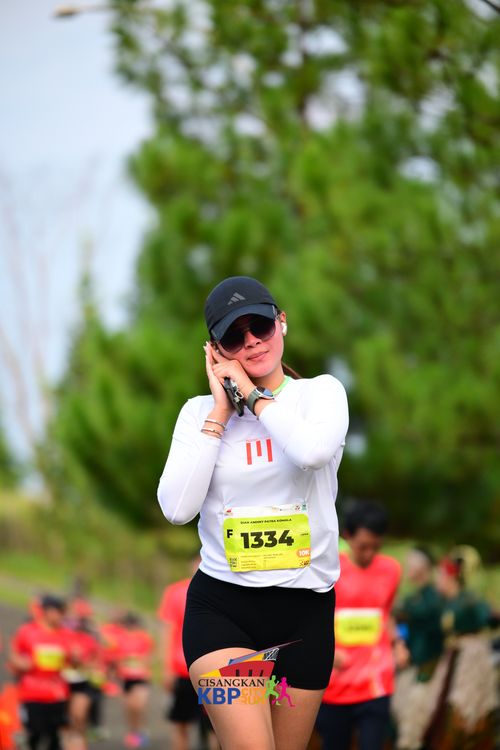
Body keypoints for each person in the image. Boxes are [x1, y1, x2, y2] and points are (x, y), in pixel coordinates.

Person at [157, 276, 349, 750]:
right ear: (215, 351)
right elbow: (177, 508)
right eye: (233, 336)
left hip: (305, 616)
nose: (251, 342)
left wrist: (254, 396)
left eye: (260, 326)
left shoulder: (321, 395)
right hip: (223, 611)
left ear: (281, 322)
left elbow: (311, 452)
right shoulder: (197, 413)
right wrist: (221, 413)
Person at [315, 501, 401, 750]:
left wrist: (398, 643)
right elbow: (312, 619)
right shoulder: (329, 570)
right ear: (347, 536)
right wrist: (325, 651)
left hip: (377, 683)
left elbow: (386, 615)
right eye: (363, 546)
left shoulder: (391, 570)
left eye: (376, 547)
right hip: (335, 685)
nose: (369, 554)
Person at [423, 551, 498, 750]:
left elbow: (488, 616)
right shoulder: (445, 602)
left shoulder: (469, 600)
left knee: (464, 706)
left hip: (471, 658)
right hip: (452, 656)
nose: (437, 580)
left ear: (450, 577)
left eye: (440, 575)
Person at [158, 554, 218, 750]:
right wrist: (166, 668)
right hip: (183, 669)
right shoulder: (176, 592)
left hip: (215, 669)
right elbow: (167, 631)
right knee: (181, 724)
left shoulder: (221, 590)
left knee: (216, 727)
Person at [392, 547, 445, 750]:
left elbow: (415, 613)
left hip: (425, 670)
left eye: (410, 565)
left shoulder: (431, 598)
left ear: (422, 569)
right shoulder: (416, 597)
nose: (407, 569)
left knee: (413, 724)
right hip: (411, 667)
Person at [9, 595, 73, 750]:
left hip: (57, 692)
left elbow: (72, 662)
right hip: (32, 692)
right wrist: (20, 663)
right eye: (58, 612)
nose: (61, 616)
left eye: (63, 612)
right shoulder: (27, 631)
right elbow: (14, 655)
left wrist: (76, 659)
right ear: (47, 612)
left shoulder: (66, 634)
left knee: (55, 737)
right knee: (34, 734)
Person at [113, 612, 154, 749]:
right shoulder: (120, 638)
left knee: (139, 706)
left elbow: (148, 655)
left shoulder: (144, 638)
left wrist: (142, 663)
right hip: (125, 677)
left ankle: (141, 730)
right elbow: (116, 656)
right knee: (129, 707)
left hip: (141, 676)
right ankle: (132, 730)